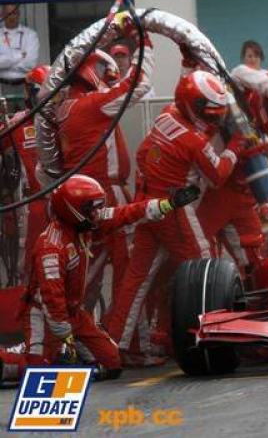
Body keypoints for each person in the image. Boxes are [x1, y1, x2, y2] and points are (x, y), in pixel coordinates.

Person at [104, 69, 253, 363]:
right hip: (173, 210)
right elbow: (219, 174)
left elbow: (143, 155)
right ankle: (209, 338)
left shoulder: (165, 116)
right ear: (191, 104)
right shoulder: (192, 141)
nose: (214, 118)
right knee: (205, 271)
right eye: (209, 113)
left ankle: (117, 344)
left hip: (146, 205)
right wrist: (234, 147)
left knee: (137, 280)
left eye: (218, 113)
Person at [0, 175, 197, 383]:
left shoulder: (87, 223)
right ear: (73, 209)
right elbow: (52, 297)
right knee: (39, 375)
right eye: (91, 208)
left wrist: (167, 204)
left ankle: (46, 353)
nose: (96, 213)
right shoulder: (51, 248)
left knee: (112, 363)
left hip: (74, 313)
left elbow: (127, 213)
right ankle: (10, 357)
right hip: (45, 315)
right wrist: (65, 338)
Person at [56, 28, 155, 313]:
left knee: (90, 269)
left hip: (81, 198)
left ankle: (79, 332)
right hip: (105, 194)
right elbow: (140, 83)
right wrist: (144, 46)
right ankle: (129, 346)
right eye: (103, 70)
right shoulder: (91, 105)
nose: (107, 78)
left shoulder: (66, 107)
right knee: (127, 270)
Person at [199, 67, 268, 291]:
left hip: (243, 201)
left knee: (254, 262)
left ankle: (255, 312)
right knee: (198, 259)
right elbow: (238, 72)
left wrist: (267, 160)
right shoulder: (236, 101)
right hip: (207, 192)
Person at [0, 65, 50, 281]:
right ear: (30, 91)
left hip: (60, 202)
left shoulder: (64, 120)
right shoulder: (15, 125)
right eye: (41, 90)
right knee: (24, 265)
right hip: (29, 205)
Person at [0, 4, 40, 82]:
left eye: (14, 13)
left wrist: (5, 63)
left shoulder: (30, 34)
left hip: (24, 83)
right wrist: (20, 56)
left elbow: (30, 64)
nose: (11, 17)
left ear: (19, 14)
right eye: (8, 14)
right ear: (2, 15)